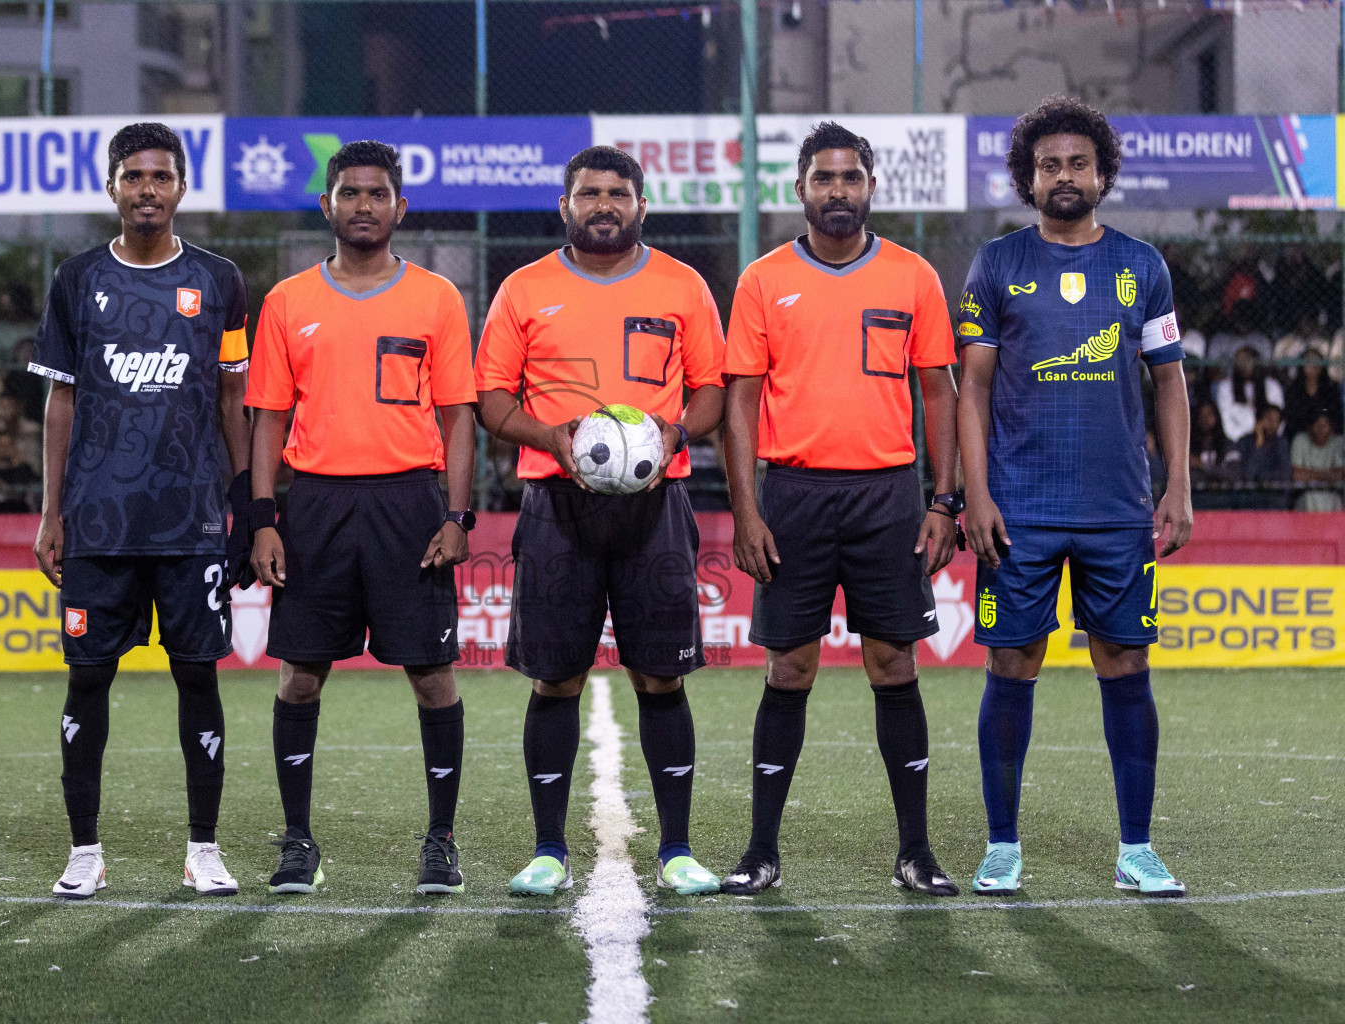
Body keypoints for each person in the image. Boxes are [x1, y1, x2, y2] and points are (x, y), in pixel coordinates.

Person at [717, 121, 961, 897]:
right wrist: (748, 512)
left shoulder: (913, 276)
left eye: (850, 178)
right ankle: (761, 851)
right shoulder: (761, 281)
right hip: (793, 494)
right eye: (823, 179)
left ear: (871, 186)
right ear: (800, 189)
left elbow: (939, 396)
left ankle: (915, 852)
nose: (837, 191)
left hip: (888, 494)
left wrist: (945, 500)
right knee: (789, 666)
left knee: (894, 662)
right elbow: (740, 405)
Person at [957, 96, 1192, 899]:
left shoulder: (1142, 265)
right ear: (1029, 176)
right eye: (1050, 164)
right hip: (1018, 510)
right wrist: (976, 495)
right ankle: (1001, 846)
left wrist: (1179, 485)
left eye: (1078, 163)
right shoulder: (995, 265)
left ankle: (1137, 847)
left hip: (1119, 508)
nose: (1065, 175)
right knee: (1012, 662)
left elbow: (1170, 384)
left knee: (1125, 662)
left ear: (1102, 174)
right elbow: (972, 391)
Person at [475, 145, 726, 897]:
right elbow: (492, 402)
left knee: (661, 674)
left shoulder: (683, 286)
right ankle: (549, 850)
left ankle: (676, 850)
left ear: (642, 205)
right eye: (589, 193)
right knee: (556, 678)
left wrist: (671, 437)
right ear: (565, 206)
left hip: (657, 506)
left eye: (618, 192)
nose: (603, 204)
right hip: (557, 503)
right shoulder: (524, 289)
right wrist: (552, 437)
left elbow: (712, 393)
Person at [247, 140, 478, 898]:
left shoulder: (438, 298)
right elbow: (267, 421)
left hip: (409, 504)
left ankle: (441, 840)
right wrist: (263, 518)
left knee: (432, 677)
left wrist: (457, 515)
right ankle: (297, 840)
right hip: (314, 505)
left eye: (377, 194)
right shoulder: (286, 302)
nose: (363, 206)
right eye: (349, 193)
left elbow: (459, 418)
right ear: (327, 206)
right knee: (301, 678)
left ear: (399, 208)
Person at [28, 122, 253, 901]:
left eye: (160, 176)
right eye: (133, 176)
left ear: (182, 187)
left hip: (191, 524)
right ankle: (85, 850)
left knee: (199, 677)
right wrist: (51, 511)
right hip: (98, 524)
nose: (146, 189)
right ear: (113, 188)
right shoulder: (77, 277)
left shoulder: (220, 280)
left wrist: (247, 505)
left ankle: (204, 848)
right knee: (87, 681)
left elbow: (233, 396)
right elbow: (61, 399)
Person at [1212, 345, 1283, 443]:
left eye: (1248, 361)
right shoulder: (1225, 386)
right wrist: (1248, 438)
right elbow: (1226, 421)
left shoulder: (1272, 385)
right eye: (1240, 361)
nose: (1244, 365)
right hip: (1236, 440)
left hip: (1269, 439)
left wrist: (1263, 434)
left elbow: (1278, 420)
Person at [1237, 404, 1292, 510]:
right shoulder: (1244, 442)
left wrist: (1261, 478)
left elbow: (1284, 476)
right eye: (1268, 418)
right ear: (1259, 420)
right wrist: (1258, 445)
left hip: (1274, 502)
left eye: (1276, 420)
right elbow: (1247, 476)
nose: (1272, 423)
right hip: (1249, 502)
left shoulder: (1282, 444)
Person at [1283, 348, 1343, 438]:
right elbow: (1291, 420)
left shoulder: (1331, 389)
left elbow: (1336, 418)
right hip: (1299, 439)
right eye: (1309, 361)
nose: (1313, 365)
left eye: (1317, 361)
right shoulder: (1293, 390)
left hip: (1326, 438)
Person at [1292, 412, 1344, 512]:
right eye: (1317, 424)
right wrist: (1328, 474)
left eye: (1325, 424)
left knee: (1336, 500)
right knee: (1307, 499)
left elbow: (1339, 475)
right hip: (1307, 494)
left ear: (1331, 427)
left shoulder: (1338, 441)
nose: (1321, 428)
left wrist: (1308, 474)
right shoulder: (1300, 439)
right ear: (1311, 426)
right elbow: (1297, 475)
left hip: (1332, 494)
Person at [0, 393, 42, 473]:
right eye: (3, 407)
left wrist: (16, 462)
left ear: (19, 407)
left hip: (23, 476)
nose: (7, 411)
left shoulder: (32, 430)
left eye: (10, 406)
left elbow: (35, 467)